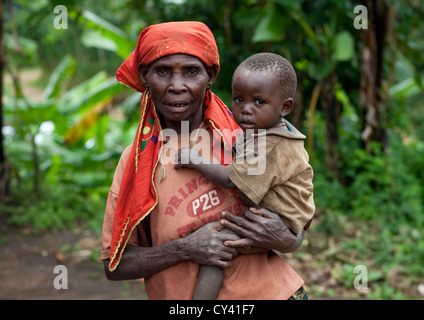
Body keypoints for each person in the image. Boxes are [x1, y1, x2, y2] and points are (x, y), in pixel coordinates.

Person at [101, 21, 308, 300]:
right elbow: (115, 266)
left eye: (191, 72)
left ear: (209, 77)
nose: (177, 86)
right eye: (162, 72)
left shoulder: (246, 136)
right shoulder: (137, 163)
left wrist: (289, 240)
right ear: (145, 76)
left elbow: (295, 211)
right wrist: (186, 247)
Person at [175, 52, 315, 299]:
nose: (245, 110)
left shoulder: (271, 146)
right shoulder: (267, 129)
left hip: (282, 222)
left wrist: (195, 159)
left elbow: (231, 179)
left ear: (285, 107)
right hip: (285, 218)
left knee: (219, 243)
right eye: (239, 99)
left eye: (259, 102)